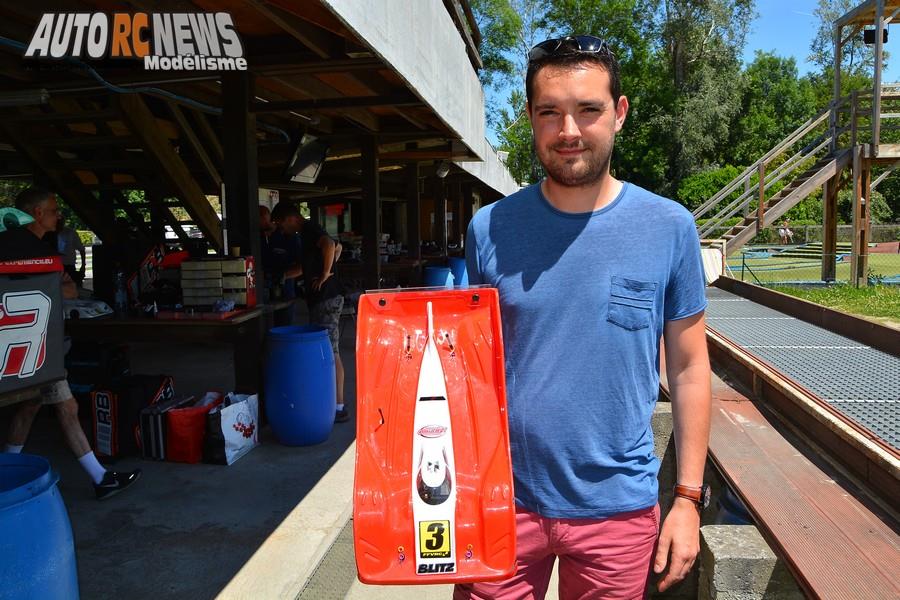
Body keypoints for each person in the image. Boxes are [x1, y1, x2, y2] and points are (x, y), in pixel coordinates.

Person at [459, 36, 712, 598]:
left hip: (616, 510)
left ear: (619, 114)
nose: (568, 130)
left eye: (588, 110)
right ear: (531, 117)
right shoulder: (490, 229)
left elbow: (691, 368)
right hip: (501, 500)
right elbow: (468, 367)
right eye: (550, 112)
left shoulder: (669, 227)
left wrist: (688, 500)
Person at [0, 187, 141, 500]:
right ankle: (100, 478)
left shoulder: (7, 244)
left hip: (15, 348)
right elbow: (69, 291)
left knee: (32, 405)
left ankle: (9, 469)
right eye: (53, 210)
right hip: (38, 349)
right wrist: (59, 284)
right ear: (36, 213)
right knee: (65, 406)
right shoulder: (37, 250)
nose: (58, 215)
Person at [272, 203, 349, 424]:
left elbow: (330, 244)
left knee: (330, 351)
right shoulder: (306, 235)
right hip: (322, 299)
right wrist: (283, 276)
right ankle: (333, 403)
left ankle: (339, 407)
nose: (280, 230)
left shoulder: (309, 230)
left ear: (290, 219)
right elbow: (334, 250)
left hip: (327, 298)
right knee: (328, 350)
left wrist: (325, 274)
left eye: (280, 224)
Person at [56, 214, 86, 285]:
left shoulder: (71, 233)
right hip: (55, 267)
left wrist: (83, 265)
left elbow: (81, 249)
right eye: (58, 221)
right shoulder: (49, 233)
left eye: (61, 221)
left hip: (69, 267)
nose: (59, 223)